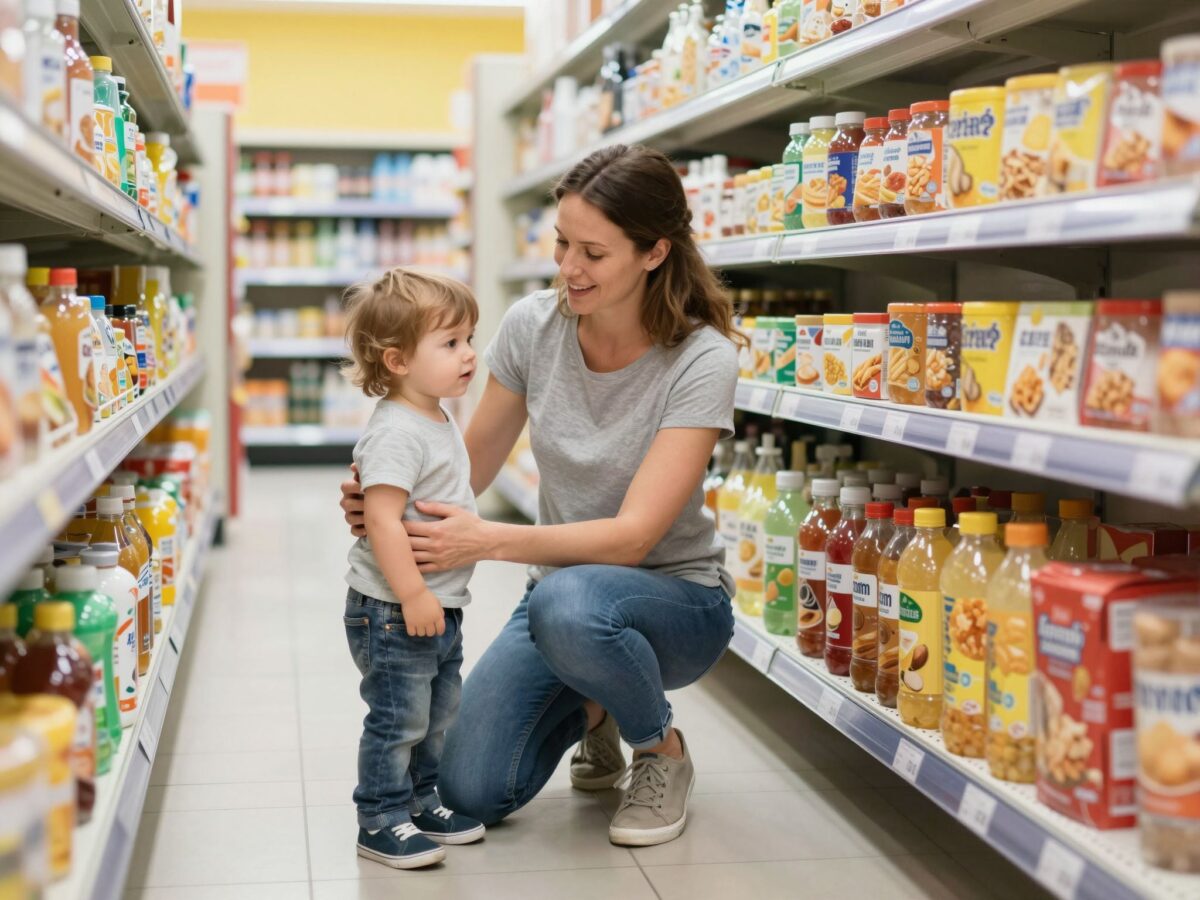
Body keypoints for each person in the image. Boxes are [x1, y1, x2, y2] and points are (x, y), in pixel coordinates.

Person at [341, 144, 741, 847]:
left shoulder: (702, 358)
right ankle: (598, 706)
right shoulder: (534, 325)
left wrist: (488, 540)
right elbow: (469, 468)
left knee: (569, 601)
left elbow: (633, 538)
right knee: (468, 788)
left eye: (593, 253)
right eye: (562, 243)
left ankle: (660, 749)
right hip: (561, 600)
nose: (568, 268)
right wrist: (391, 501)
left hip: (675, 601)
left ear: (654, 253)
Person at [341, 268, 487, 869]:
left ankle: (421, 802)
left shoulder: (436, 415)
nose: (469, 354)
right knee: (399, 719)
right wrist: (412, 595)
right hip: (394, 608)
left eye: (469, 338)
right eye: (450, 343)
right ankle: (380, 817)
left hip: (438, 605)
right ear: (398, 361)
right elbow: (379, 521)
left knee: (436, 715)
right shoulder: (397, 431)